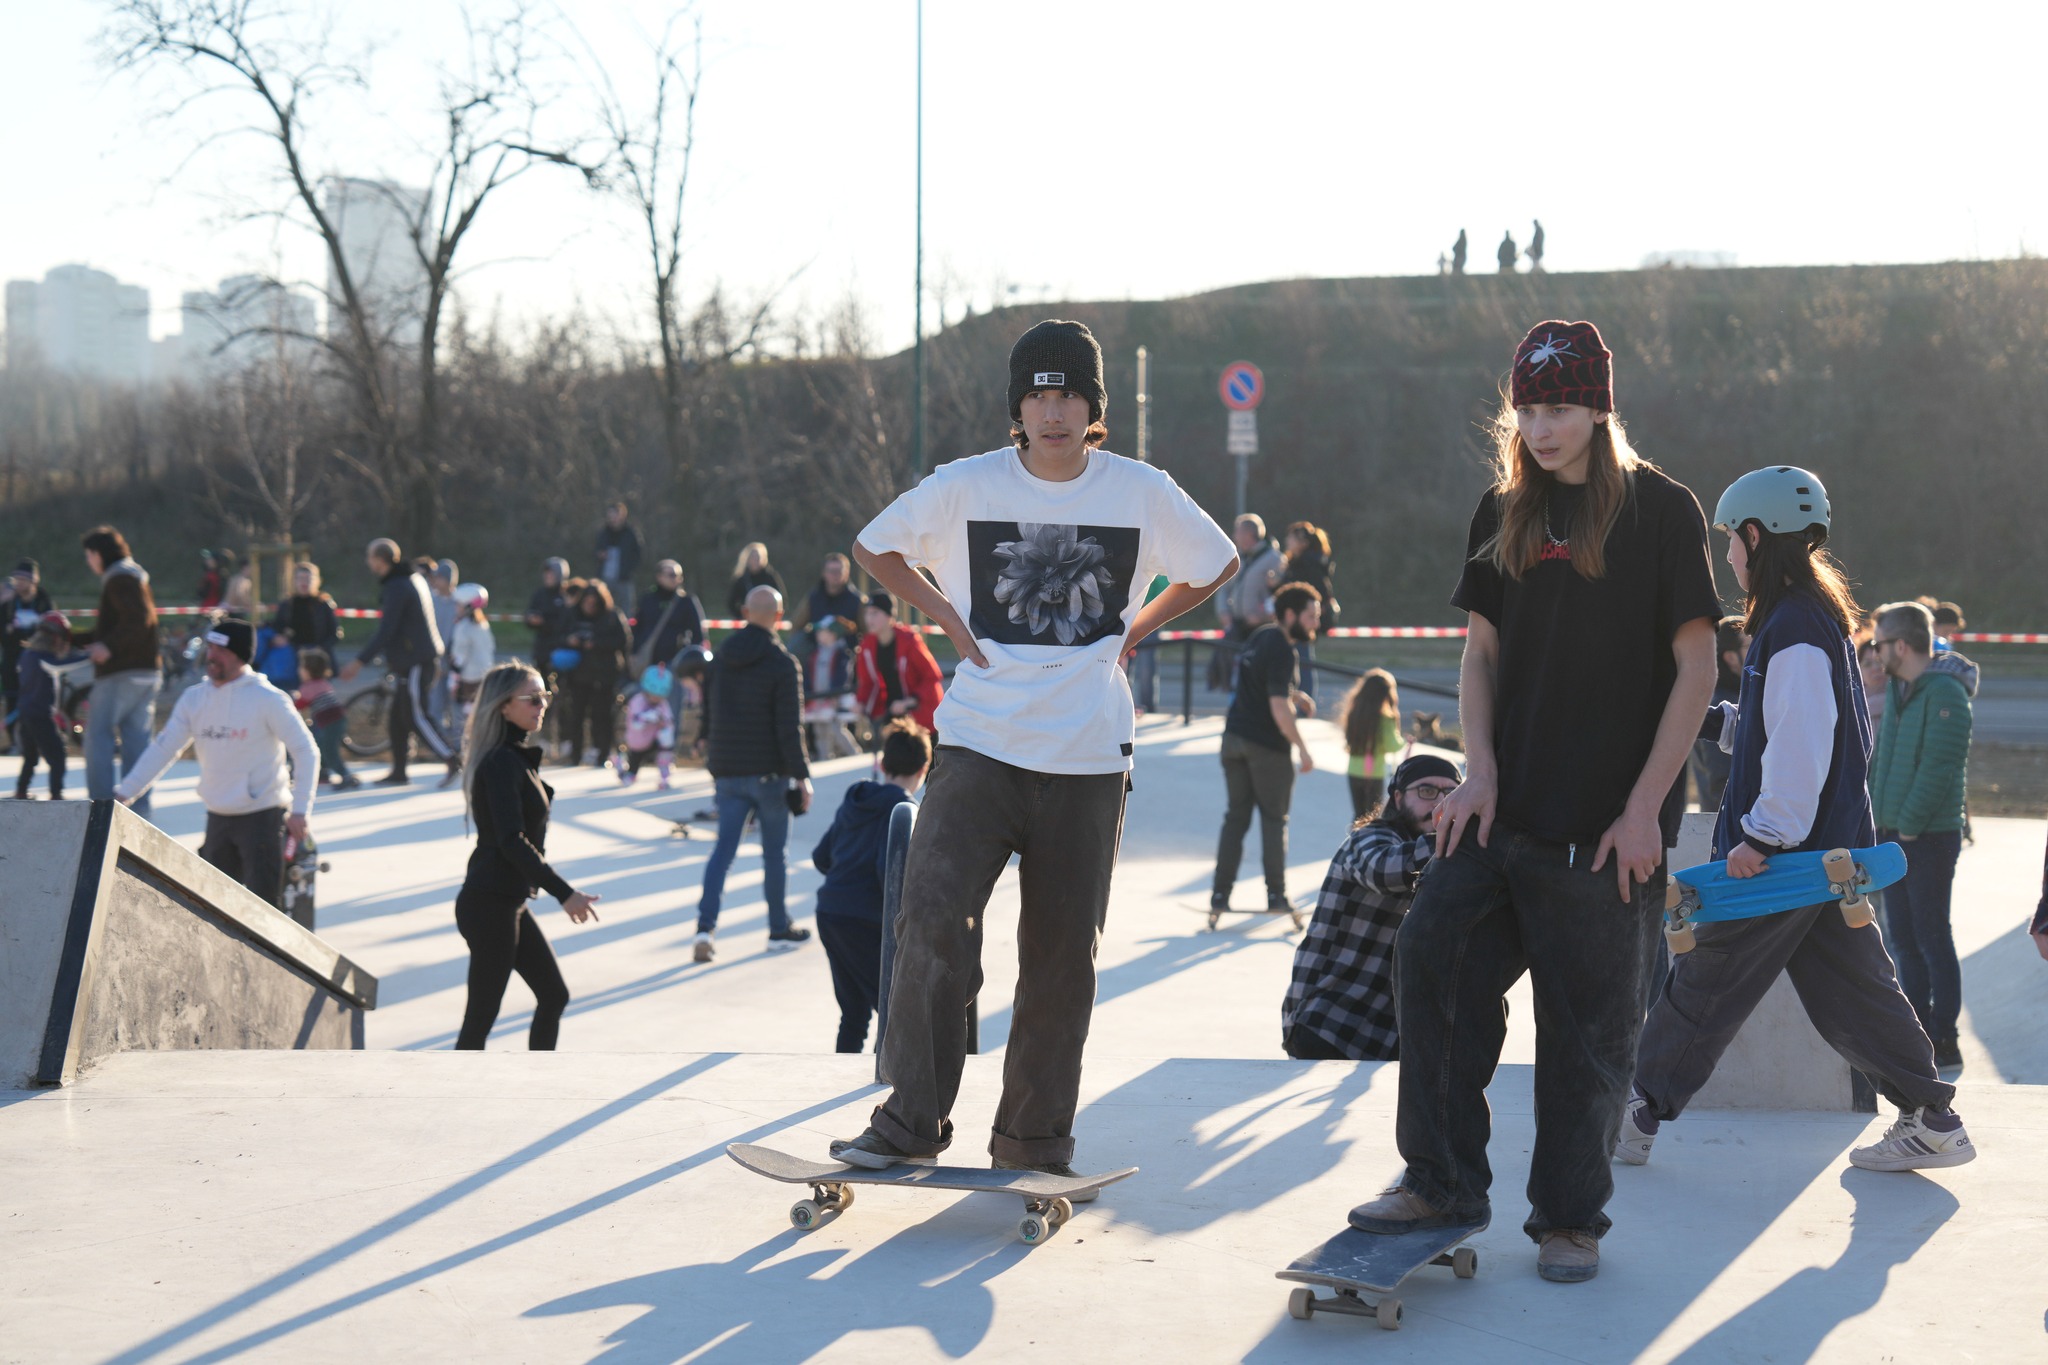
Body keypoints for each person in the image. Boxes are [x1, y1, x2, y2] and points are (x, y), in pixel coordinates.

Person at [1347, 320, 1720, 1285]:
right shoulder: (1502, 509)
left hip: (1607, 835)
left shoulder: (1662, 512)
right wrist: (1478, 768)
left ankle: (1568, 1219)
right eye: (1529, 407)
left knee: (1587, 1036)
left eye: (1560, 407)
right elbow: (1481, 654)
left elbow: (1696, 666)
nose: (1542, 426)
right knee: (1433, 958)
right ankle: (1439, 1179)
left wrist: (1646, 808)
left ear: (1599, 405)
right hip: (1501, 819)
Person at [826, 317, 1239, 1178]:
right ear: (1016, 406)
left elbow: (1218, 560)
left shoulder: (1141, 489)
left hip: (1088, 755)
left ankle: (1032, 1139)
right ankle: (909, 1121)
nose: (1053, 411)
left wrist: (1138, 624)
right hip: (979, 743)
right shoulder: (968, 483)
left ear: (1095, 407)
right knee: (933, 919)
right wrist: (943, 613)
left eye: (1070, 394)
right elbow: (873, 545)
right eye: (1038, 394)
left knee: (1060, 956)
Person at [1620, 469, 1973, 1170]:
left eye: (1731, 540)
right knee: (1855, 995)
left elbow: (1805, 748)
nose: (1727, 557)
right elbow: (1782, 728)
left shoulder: (1796, 628)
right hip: (1817, 856)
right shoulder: (1804, 619)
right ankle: (1935, 1118)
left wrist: (1761, 837)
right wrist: (1713, 720)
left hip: (1788, 856)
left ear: (1757, 535)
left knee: (1707, 981)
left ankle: (1635, 1114)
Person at [114, 619, 318, 909]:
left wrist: (300, 811)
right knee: (215, 909)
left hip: (262, 817)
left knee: (265, 911)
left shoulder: (268, 699)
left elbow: (305, 750)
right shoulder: (195, 699)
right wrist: (125, 793)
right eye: (209, 648)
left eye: (219, 650)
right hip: (218, 817)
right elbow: (164, 748)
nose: (210, 656)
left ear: (239, 654)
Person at [453, 662, 600, 1050]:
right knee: (481, 1018)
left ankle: (537, 1081)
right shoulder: (501, 761)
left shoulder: (513, 755)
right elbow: (511, 841)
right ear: (503, 706)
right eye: (532, 699)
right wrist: (564, 892)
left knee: (553, 995)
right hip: (490, 903)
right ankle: (449, 1097)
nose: (542, 706)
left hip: (508, 900)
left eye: (545, 697)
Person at [1282, 755, 1462, 1060]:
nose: (1440, 804)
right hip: (1328, 1024)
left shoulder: (1449, 856)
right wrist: (1456, 837)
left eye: (1452, 794)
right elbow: (1381, 869)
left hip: (1388, 1036)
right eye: (1427, 792)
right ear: (1398, 797)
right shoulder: (1371, 838)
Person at [1868, 599, 1977, 1069]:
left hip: (1929, 837)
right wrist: (1877, 820)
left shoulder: (1946, 693)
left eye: (1880, 643)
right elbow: (1883, 758)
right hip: (1893, 835)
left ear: (1903, 644)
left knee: (1932, 936)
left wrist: (1907, 826)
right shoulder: (1899, 689)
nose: (1875, 652)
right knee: (1904, 940)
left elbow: (1939, 768)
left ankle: (1945, 1038)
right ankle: (1918, 1034)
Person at [696, 584, 813, 961]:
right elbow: (788, 727)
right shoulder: (782, 663)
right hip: (769, 774)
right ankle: (778, 927)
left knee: (722, 853)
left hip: (728, 771)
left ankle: (704, 928)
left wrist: (709, 751)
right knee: (774, 855)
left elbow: (709, 713)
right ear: (779, 617)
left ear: (745, 612)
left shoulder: (721, 657)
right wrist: (801, 775)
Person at [812, 719, 933, 1053]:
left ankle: (843, 1072)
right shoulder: (906, 813)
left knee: (853, 1012)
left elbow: (822, 856)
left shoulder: (856, 798)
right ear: (924, 769)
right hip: (866, 920)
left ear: (883, 764)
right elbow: (888, 872)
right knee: (894, 1010)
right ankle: (888, 1081)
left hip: (831, 911)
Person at [1212, 583, 1322, 913]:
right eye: (1310, 616)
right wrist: (1302, 748)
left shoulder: (1261, 636)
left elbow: (1264, 684)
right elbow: (1277, 708)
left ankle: (1220, 895)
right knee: (1274, 821)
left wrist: (1293, 694)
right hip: (1266, 747)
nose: (1316, 623)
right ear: (1290, 615)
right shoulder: (1284, 651)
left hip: (1233, 740)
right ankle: (1276, 896)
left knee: (1236, 819)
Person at [339, 538, 457, 788]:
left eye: (369, 557)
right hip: (413, 658)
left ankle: (451, 758)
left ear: (380, 560)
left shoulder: (397, 585)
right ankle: (399, 771)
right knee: (397, 717)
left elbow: (387, 630)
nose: (367, 561)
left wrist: (359, 662)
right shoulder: (409, 578)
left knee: (417, 715)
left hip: (416, 660)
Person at [78, 526, 164, 818]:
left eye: (89, 556)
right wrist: (73, 639)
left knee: (98, 736)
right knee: (137, 743)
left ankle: (101, 809)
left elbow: (137, 620)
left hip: (121, 672)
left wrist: (109, 647)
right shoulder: (135, 575)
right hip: (147, 671)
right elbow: (128, 623)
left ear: (97, 553)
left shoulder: (118, 578)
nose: (89, 563)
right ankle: (138, 812)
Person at [559, 579, 632, 767]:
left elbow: (623, 641)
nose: (589, 607)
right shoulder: (572, 616)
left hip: (604, 675)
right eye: (586, 602)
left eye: (594, 603)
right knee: (576, 715)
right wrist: (571, 641)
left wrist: (597, 644)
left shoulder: (612, 616)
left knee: (602, 716)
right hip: (578, 675)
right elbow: (557, 636)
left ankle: (603, 753)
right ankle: (575, 755)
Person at [853, 591, 944, 738]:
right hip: (892, 716)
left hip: (922, 717)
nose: (869, 618)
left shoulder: (909, 641)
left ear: (890, 616)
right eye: (867, 613)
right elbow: (867, 682)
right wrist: (861, 703)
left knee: (926, 759)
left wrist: (910, 701)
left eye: (875, 613)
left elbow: (932, 677)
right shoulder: (867, 646)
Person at [16, 612, 85, 799]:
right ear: (56, 637)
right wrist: (90, 656)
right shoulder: (44, 658)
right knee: (58, 757)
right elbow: (60, 665)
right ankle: (56, 796)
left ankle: (21, 791)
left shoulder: (27, 654)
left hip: (25, 714)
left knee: (30, 757)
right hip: (40, 716)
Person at [1211, 514, 1281, 691]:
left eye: (1238, 532)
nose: (1234, 536)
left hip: (1261, 628)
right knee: (1228, 670)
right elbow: (1223, 587)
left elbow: (1279, 594)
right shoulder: (1237, 558)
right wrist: (1223, 611)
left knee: (1257, 674)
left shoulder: (1274, 559)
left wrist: (1263, 616)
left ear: (1249, 534)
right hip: (1238, 625)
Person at [1687, 616, 1748, 812]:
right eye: (1750, 647)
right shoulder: (1719, 706)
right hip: (1728, 832)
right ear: (1730, 657)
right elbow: (1722, 782)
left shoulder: (1715, 700)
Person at [1338, 668, 1405, 819]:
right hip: (1374, 773)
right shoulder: (1385, 720)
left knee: (1358, 814)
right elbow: (1392, 745)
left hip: (1354, 770)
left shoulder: (1354, 714)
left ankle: (1355, 840)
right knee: (1372, 817)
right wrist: (1405, 741)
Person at [2, 559, 53, 745]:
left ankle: (36, 742)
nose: (19, 583)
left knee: (37, 703)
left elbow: (52, 627)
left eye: (23, 579)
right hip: (12, 659)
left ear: (33, 581)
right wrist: (9, 631)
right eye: (16, 579)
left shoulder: (43, 601)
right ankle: (14, 743)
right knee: (13, 701)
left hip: (38, 660)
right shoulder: (8, 603)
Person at [294, 647, 358, 790]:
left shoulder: (308, 687)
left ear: (308, 670)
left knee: (329, 751)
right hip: (336, 720)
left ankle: (346, 776)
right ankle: (323, 773)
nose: (299, 670)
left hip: (331, 723)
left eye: (301, 667)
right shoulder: (323, 683)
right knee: (320, 744)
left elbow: (298, 705)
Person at [526, 557, 571, 755]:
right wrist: (532, 619)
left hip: (561, 654)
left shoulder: (567, 595)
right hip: (543, 653)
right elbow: (529, 615)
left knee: (564, 697)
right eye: (546, 573)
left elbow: (565, 623)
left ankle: (565, 739)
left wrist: (545, 622)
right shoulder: (540, 594)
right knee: (544, 696)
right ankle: (544, 738)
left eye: (551, 573)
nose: (547, 577)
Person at [631, 559, 705, 674]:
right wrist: (634, 653)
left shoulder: (687, 601)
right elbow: (636, 628)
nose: (676, 578)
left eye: (678, 575)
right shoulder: (647, 599)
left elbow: (698, 633)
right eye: (671, 575)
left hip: (676, 663)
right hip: (648, 661)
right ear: (659, 577)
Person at [804, 616, 857, 759]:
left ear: (832, 634)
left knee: (836, 729)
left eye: (821, 631)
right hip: (818, 701)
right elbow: (809, 676)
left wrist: (835, 695)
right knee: (819, 732)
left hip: (835, 701)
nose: (817, 634)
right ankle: (824, 759)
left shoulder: (841, 654)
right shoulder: (815, 654)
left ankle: (855, 756)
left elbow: (842, 677)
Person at [615, 664, 676, 788]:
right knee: (634, 764)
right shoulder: (637, 701)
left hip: (654, 740)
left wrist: (662, 721)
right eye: (654, 695)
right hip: (638, 741)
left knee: (666, 740)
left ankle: (665, 775)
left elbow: (669, 720)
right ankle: (625, 772)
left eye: (659, 697)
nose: (656, 699)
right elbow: (635, 724)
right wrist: (647, 717)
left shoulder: (663, 704)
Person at [449, 584, 496, 727]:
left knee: (465, 719)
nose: (456, 607)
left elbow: (459, 658)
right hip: (485, 675)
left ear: (467, 606)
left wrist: (452, 683)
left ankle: (464, 747)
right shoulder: (483, 624)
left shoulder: (463, 627)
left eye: (458, 604)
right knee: (480, 715)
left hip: (468, 679)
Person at [791, 552, 868, 638]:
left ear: (847, 573)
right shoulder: (813, 598)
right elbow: (796, 627)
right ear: (824, 573)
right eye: (831, 571)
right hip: (817, 648)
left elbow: (867, 632)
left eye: (839, 571)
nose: (835, 575)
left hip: (848, 648)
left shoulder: (858, 601)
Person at [272, 563, 341, 656]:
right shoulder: (287, 604)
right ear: (294, 581)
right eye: (300, 578)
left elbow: (335, 633)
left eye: (308, 579)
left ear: (317, 581)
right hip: (292, 652)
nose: (304, 582)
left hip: (318, 653)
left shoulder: (324, 604)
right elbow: (278, 626)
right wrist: (281, 637)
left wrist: (321, 649)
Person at [595, 500, 645, 614]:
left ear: (622, 515)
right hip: (605, 578)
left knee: (626, 609)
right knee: (603, 608)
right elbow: (595, 551)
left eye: (615, 514)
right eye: (610, 514)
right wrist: (600, 555)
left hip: (624, 579)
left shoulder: (631, 534)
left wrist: (628, 570)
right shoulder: (603, 533)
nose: (612, 518)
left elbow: (638, 554)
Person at [428, 559, 461, 732]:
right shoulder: (431, 601)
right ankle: (439, 743)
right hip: (436, 662)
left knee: (456, 709)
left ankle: (456, 745)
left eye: (439, 577)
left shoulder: (460, 603)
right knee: (435, 705)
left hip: (455, 664)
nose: (436, 581)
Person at [726, 542, 786, 618]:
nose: (755, 560)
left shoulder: (771, 577)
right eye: (752, 557)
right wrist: (742, 616)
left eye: (758, 557)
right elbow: (731, 603)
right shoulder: (741, 580)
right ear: (747, 559)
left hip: (767, 621)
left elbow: (782, 600)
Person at [1857, 636, 1888, 725]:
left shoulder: (1904, 697)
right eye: (1867, 664)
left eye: (1880, 661)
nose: (1876, 668)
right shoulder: (1852, 707)